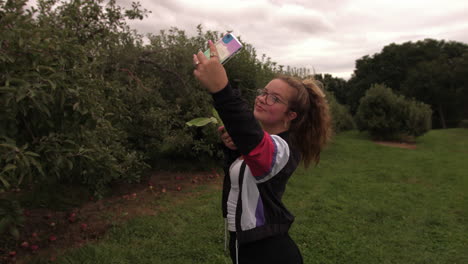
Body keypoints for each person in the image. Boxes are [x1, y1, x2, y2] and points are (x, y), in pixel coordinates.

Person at [193, 40, 332, 264]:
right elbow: (245, 180)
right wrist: (233, 150)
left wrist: (221, 89)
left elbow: (255, 144)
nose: (261, 99)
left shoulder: (284, 149)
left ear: (291, 114)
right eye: (264, 92)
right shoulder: (262, 143)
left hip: (268, 252)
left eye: (274, 98)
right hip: (246, 245)